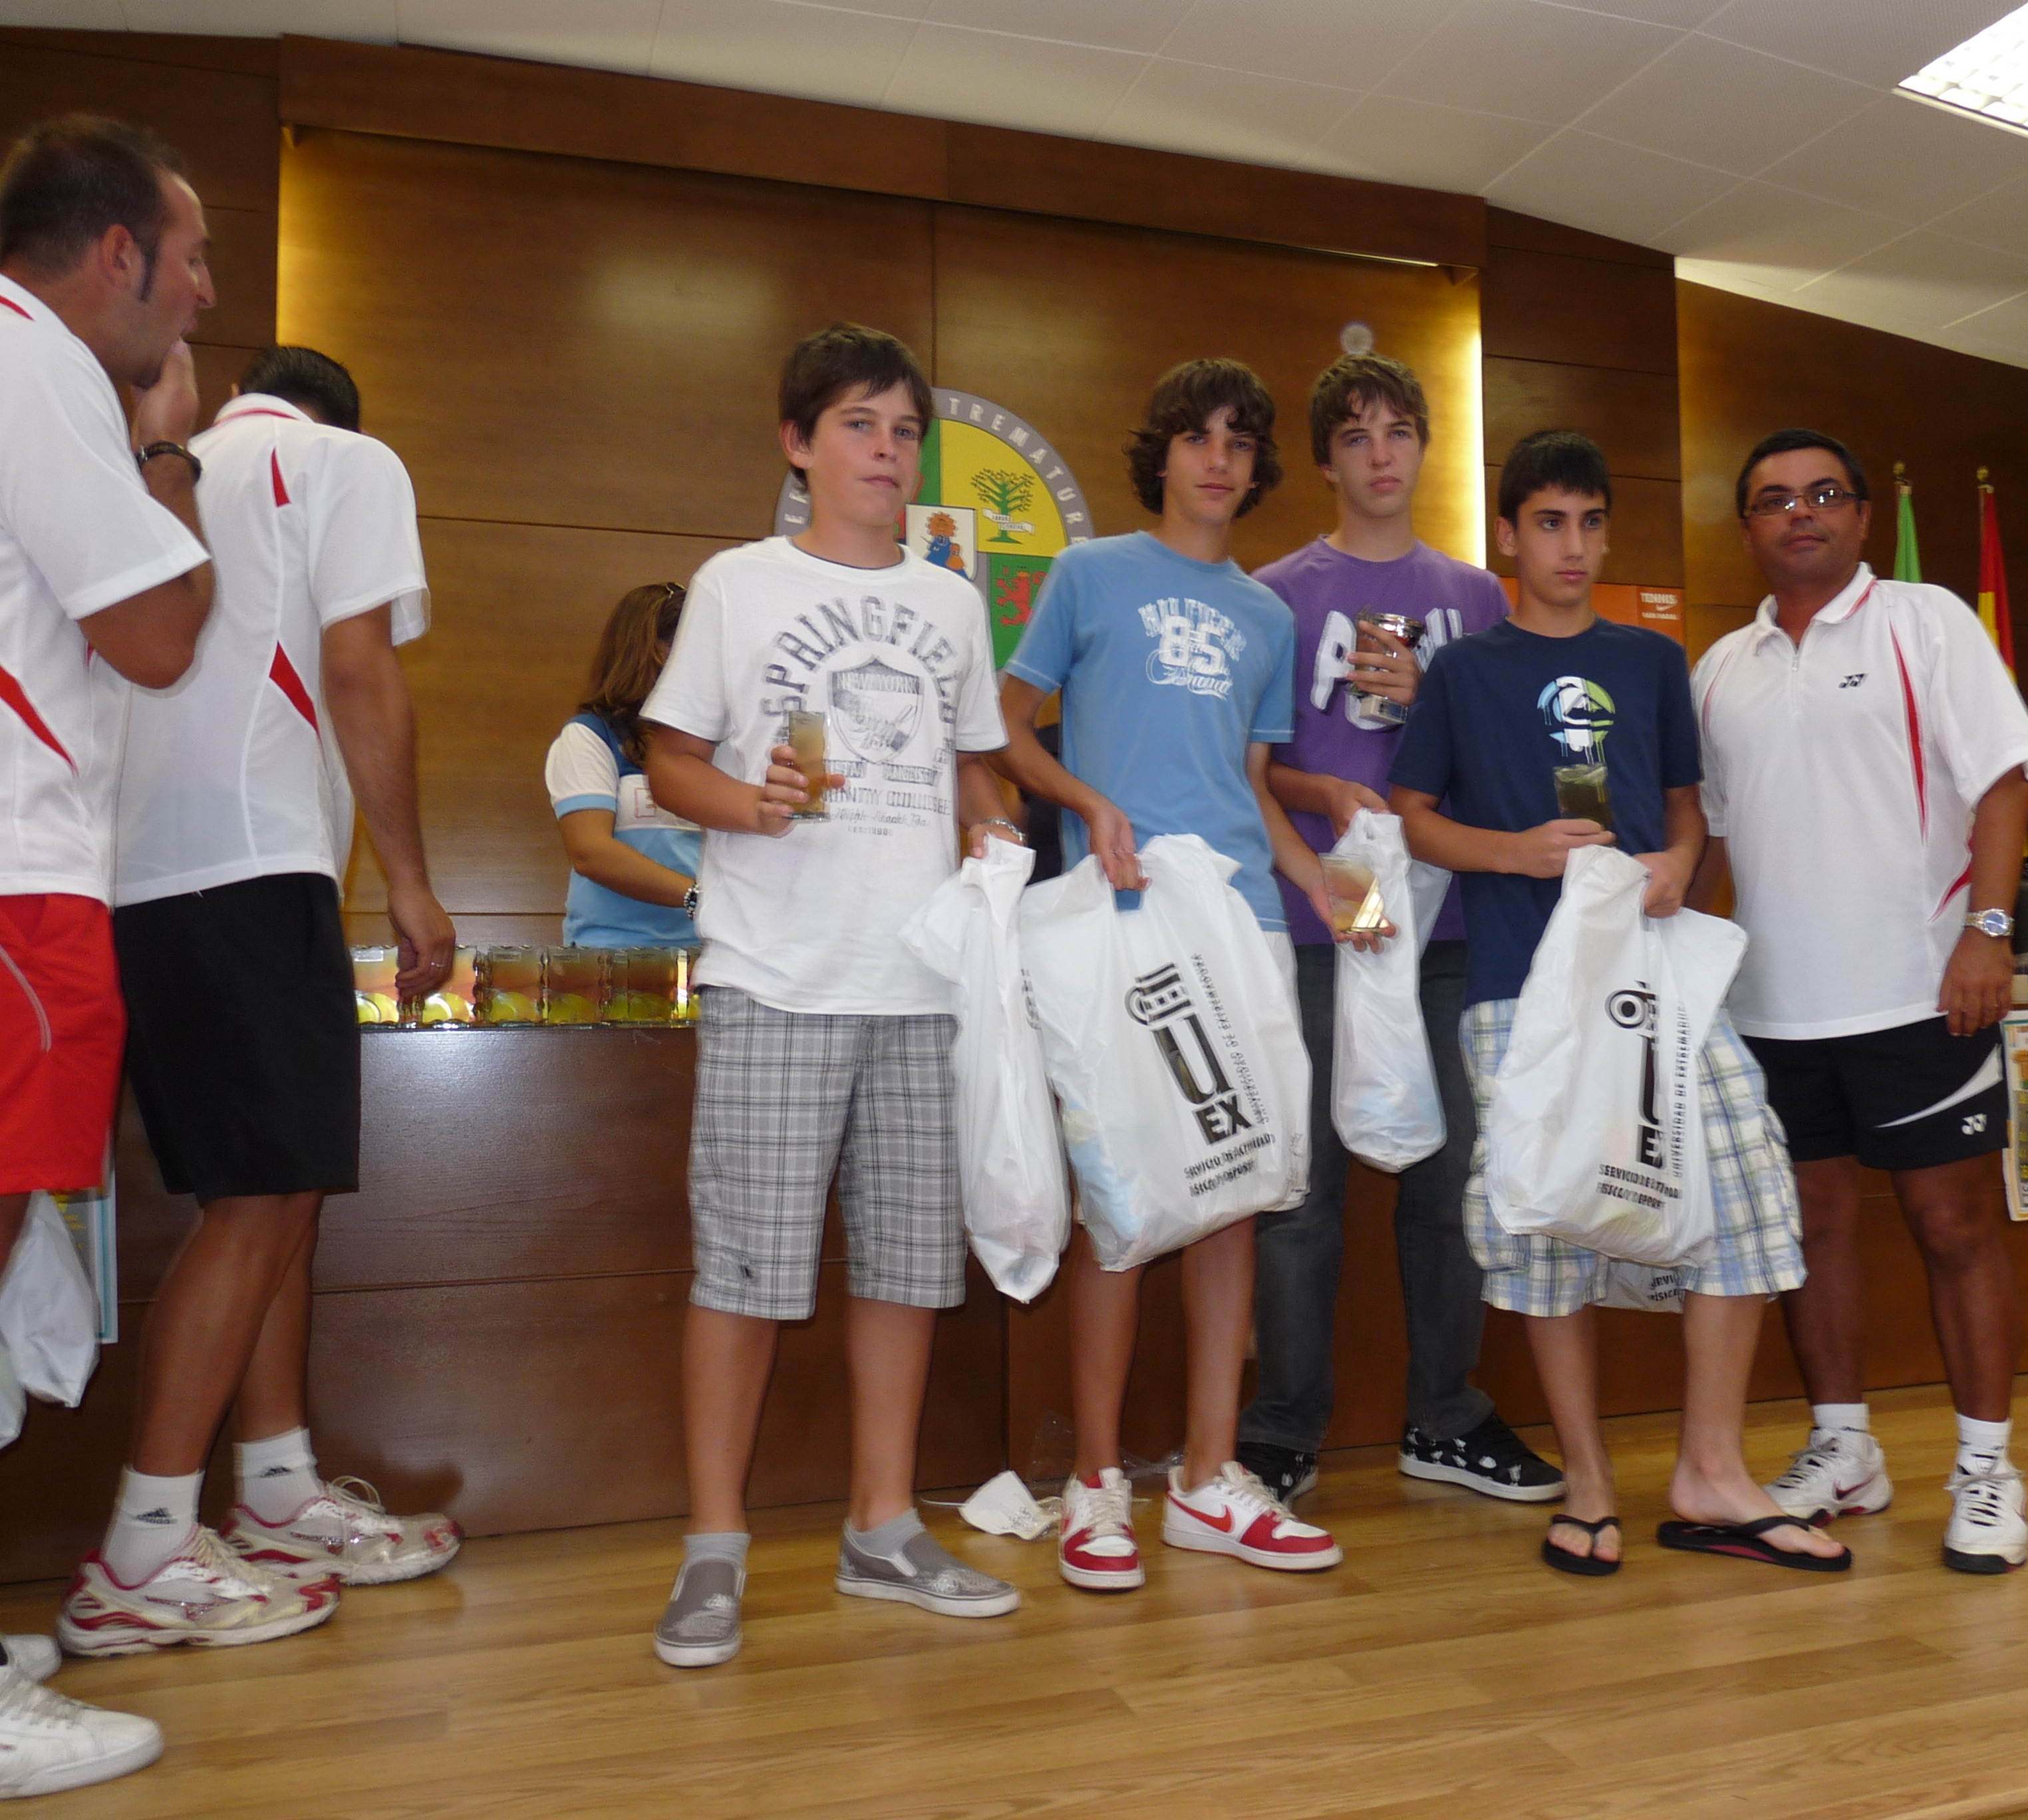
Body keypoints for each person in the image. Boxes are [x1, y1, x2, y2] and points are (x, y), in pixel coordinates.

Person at [62, 342, 462, 1658]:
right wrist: (410, 881)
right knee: (259, 1203)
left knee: (277, 1191)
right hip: (250, 866)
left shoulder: (155, 468)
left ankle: (277, 1491)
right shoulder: (344, 461)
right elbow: (360, 669)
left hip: (135, 881)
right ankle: (143, 1548)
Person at [1390, 431, 1842, 1575]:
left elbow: (1686, 806)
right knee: (1541, 1223)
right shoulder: (1463, 671)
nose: (1573, 546)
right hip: (1519, 983)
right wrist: (1514, 852)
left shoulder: (1648, 662)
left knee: (1748, 1186)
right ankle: (1587, 1478)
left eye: (1591, 523)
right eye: (1549, 523)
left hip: (1653, 977)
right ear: (1507, 535)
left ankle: (1710, 1469)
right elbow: (1411, 818)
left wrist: (1680, 862)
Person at [643, 323, 1028, 1666]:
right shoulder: (737, 585)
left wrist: (992, 823)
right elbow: (669, 759)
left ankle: (883, 1527)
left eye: (904, 430)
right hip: (776, 977)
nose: (886, 450)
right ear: (797, 444)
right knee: (743, 1277)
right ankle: (713, 1549)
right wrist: (746, 803)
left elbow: (975, 765)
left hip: (922, 984)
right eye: (858, 424)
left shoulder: (951, 603)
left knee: (907, 1275)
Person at [994, 357, 1366, 1592]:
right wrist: (1088, 802)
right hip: (1121, 923)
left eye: (1240, 442)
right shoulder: (1089, 574)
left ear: (1257, 469)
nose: (1218, 459)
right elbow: (1003, 724)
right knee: (1119, 1203)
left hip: (1241, 927)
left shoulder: (1266, 616)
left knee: (1233, 1195)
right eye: (1198, 437)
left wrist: (1320, 884)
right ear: (1159, 453)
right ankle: (1097, 1482)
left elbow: (1251, 786)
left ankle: (1208, 1477)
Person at [1687, 428, 2028, 1575]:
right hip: (1771, 1012)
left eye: (1823, 494)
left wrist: (1987, 932)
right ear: (1747, 527)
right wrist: (1674, 974)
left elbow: (2003, 786)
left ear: (1858, 514)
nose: (1800, 513)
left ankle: (1986, 1471)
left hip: (1922, 995)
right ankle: (1843, 1450)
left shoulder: (1925, 622)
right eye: (1774, 500)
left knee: (1954, 1229)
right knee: (1812, 1231)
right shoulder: (1718, 669)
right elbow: (1708, 842)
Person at [1239, 352, 1559, 1509]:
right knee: (1302, 1189)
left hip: (1453, 916)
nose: (1380, 455)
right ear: (1326, 461)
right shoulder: (1275, 592)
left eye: (1398, 433)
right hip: (1329, 905)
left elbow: (1516, 762)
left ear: (1424, 446)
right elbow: (1251, 769)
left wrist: (1439, 704)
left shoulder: (1476, 596)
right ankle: (1280, 1429)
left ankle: (1445, 1416)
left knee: (1451, 1179)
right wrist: (1325, 794)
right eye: (1355, 436)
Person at [0, 112, 216, 1793]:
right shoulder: (41, 363)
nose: (202, 297)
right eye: (191, 260)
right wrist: (164, 449)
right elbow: (157, 629)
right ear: (119, 253)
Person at [548, 581, 702, 946]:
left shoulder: (715, 742)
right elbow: (591, 853)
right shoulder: (591, 735)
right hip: (614, 957)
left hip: (712, 955)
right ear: (647, 650)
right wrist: (699, 899)